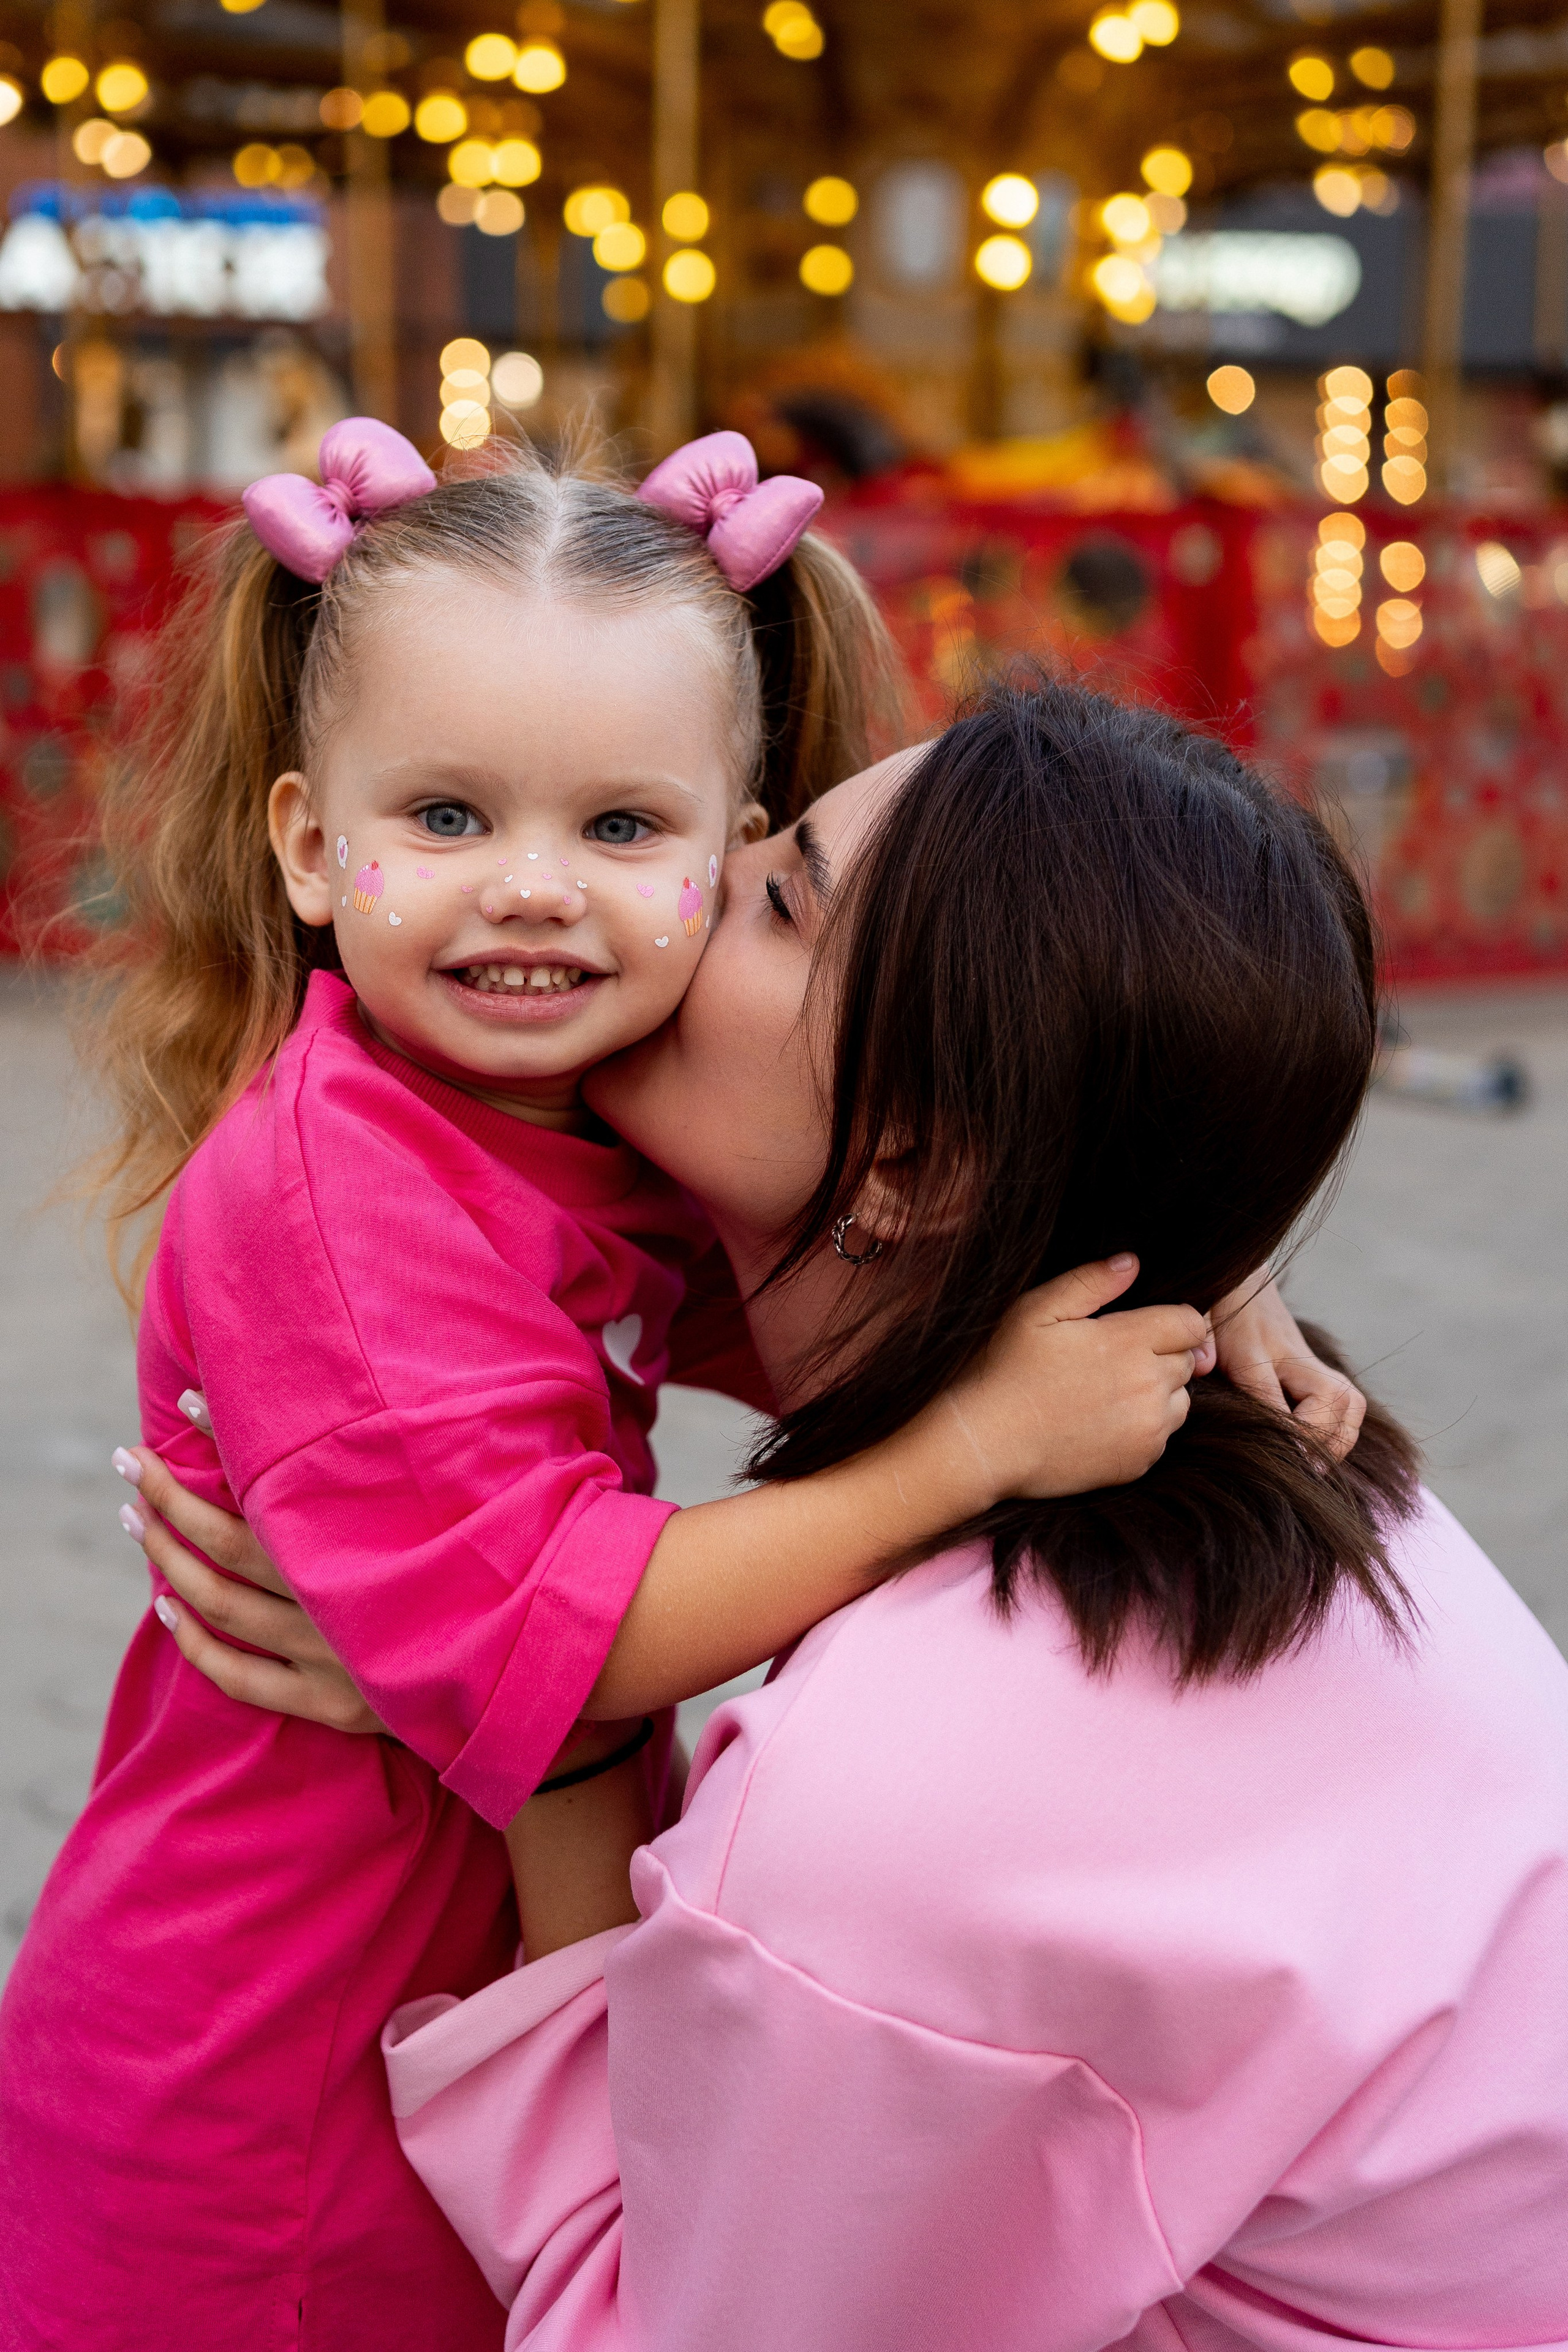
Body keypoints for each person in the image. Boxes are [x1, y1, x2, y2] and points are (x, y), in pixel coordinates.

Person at [1, 428, 1306, 2352]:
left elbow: (885, 1259)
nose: (534, 893)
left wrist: (1212, 1257)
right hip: (264, 2110)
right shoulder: (342, 1200)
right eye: (445, 818)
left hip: (433, 2011)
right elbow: (577, 1639)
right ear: (304, 844)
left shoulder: (557, 1111)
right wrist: (964, 1454)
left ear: (730, 853)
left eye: (621, 832)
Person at [143, 685, 1568, 2349]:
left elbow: (660, 2321)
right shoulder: (1315, 1479)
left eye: (773, 892)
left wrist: (536, 1703)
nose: (675, 879)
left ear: (898, 1165)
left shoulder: (897, 1801)